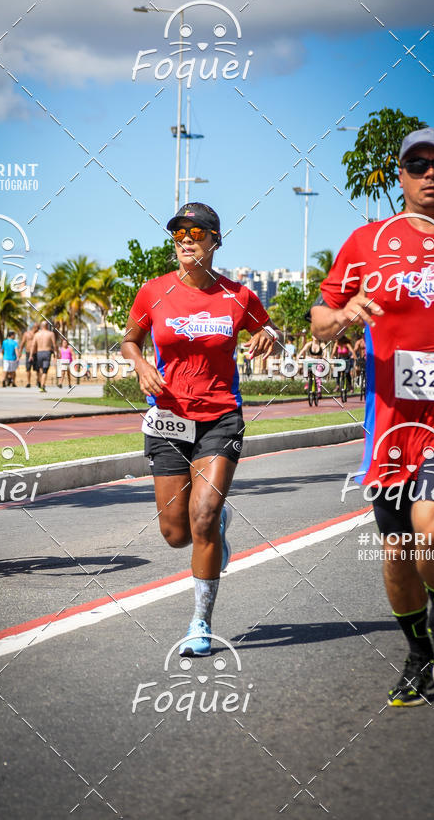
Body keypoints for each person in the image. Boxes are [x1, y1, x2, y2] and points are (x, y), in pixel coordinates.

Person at [311, 127, 434, 707]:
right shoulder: (367, 241)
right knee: (396, 554)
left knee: (432, 530)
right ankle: (418, 651)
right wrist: (341, 313)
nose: (429, 175)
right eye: (417, 165)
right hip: (390, 426)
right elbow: (318, 318)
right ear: (401, 176)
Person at [122, 203, 281, 657]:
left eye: (196, 231)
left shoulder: (238, 296)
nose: (186, 239)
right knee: (175, 533)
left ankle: (200, 624)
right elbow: (130, 339)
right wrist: (140, 365)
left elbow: (267, 330)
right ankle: (217, 526)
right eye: (178, 233)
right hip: (169, 419)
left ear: (215, 240)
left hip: (219, 417)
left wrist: (268, 335)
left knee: (203, 516)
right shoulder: (152, 292)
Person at [31, 321, 58, 392]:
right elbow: (54, 345)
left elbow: (33, 345)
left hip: (39, 353)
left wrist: (31, 355)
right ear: (47, 326)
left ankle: (40, 382)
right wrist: (55, 354)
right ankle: (42, 386)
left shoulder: (37, 334)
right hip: (47, 352)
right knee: (45, 370)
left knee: (40, 369)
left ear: (41, 326)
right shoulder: (51, 334)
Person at [19, 322, 39, 388]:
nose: (38, 328)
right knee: (28, 368)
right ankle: (28, 382)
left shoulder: (38, 334)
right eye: (37, 327)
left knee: (37, 369)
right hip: (28, 352)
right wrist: (20, 352)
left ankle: (38, 381)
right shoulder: (26, 334)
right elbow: (22, 343)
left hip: (36, 353)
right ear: (34, 327)